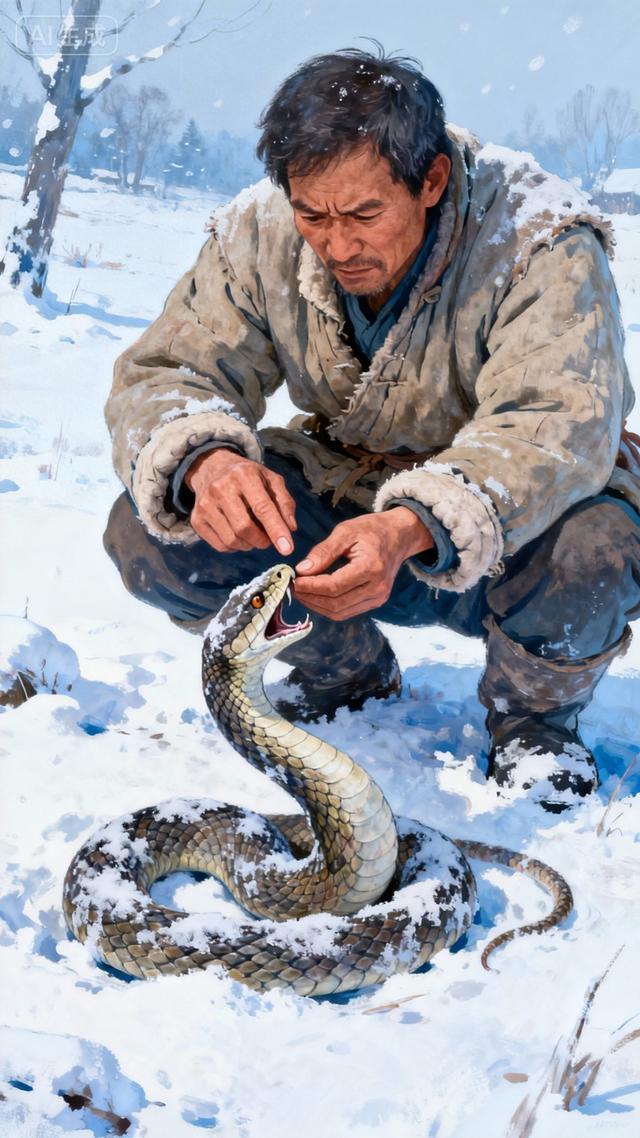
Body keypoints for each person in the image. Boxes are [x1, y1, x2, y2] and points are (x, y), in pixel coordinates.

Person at [104, 46, 640, 810]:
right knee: (154, 532)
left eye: (364, 214)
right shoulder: (256, 233)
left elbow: (557, 427)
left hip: (513, 535)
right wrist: (207, 461)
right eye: (313, 214)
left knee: (599, 549)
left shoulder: (539, 235)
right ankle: (345, 671)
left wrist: (410, 526)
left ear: (431, 181)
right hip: (339, 501)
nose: (338, 244)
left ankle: (535, 725)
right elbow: (168, 373)